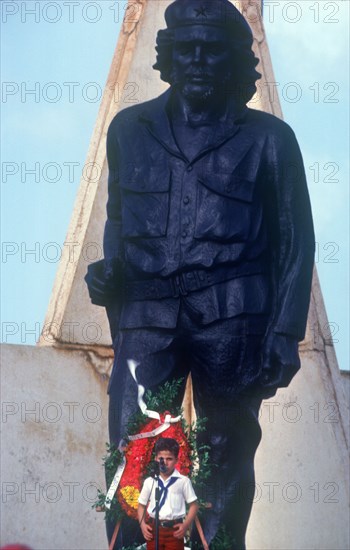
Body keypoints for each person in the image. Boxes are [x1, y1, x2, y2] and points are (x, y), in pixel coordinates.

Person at [85, 0, 315, 547]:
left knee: (226, 447)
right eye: (185, 50)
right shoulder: (129, 130)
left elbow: (296, 241)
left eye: (212, 52)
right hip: (147, 313)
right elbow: (120, 221)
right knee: (135, 443)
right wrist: (110, 270)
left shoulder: (270, 140)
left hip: (234, 315)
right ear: (166, 57)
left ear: (236, 62)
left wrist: (284, 333)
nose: (197, 62)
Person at [138, 438, 199, 550]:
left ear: (176, 460)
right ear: (156, 459)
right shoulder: (150, 481)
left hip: (174, 530)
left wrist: (185, 526)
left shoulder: (183, 481)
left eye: (169, 459)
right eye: (161, 458)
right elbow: (141, 505)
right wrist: (142, 525)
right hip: (154, 529)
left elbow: (194, 505)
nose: (164, 462)